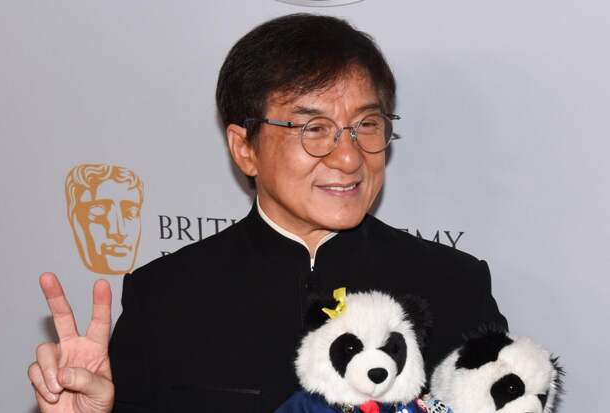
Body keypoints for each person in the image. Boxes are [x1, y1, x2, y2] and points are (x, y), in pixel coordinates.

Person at [28, 13, 507, 413]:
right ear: (245, 148)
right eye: (314, 128)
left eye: (366, 124)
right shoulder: (164, 296)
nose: (349, 157)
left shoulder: (455, 287)